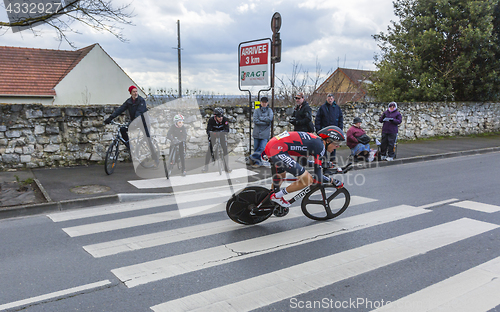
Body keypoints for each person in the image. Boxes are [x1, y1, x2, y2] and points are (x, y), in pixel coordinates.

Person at [263, 126, 345, 208]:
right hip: (277, 149)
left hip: (274, 147)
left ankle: (268, 198)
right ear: (328, 141)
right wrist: (333, 181)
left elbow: (303, 162)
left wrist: (324, 165)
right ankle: (276, 196)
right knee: (307, 180)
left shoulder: (314, 141)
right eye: (336, 144)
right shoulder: (320, 147)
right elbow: (318, 177)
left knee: (281, 176)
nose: (337, 147)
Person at [104, 85, 148, 149]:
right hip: (134, 122)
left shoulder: (141, 101)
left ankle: (154, 155)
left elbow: (139, 112)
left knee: (148, 138)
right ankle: (130, 148)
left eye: (136, 91)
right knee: (122, 129)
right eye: (134, 92)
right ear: (130, 93)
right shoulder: (129, 102)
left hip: (144, 122)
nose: (136, 93)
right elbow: (120, 109)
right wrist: (110, 118)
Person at [314, 93, 344, 162]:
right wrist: (318, 129)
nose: (330, 100)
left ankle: (332, 159)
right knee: (324, 145)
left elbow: (340, 119)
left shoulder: (337, 108)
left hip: (334, 130)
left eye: (331, 99)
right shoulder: (322, 108)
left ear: (333, 99)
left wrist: (340, 129)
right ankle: (324, 159)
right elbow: (318, 119)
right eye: (329, 99)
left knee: (334, 144)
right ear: (326, 99)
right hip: (325, 130)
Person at [203, 107, 231, 173]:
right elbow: (208, 130)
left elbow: (227, 129)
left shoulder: (224, 119)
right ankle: (206, 167)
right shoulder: (211, 120)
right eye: (219, 117)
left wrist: (224, 132)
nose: (220, 118)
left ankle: (227, 167)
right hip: (213, 135)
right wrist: (210, 135)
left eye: (221, 116)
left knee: (225, 150)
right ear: (215, 116)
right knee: (209, 150)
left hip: (221, 135)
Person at [249, 97, 273, 167]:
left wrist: (261, 118)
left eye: (265, 102)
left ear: (267, 103)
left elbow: (270, 119)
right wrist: (265, 122)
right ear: (260, 103)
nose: (264, 104)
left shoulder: (270, 111)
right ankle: (257, 162)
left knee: (262, 148)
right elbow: (256, 121)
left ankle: (251, 157)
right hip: (256, 132)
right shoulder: (256, 111)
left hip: (265, 133)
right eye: (263, 102)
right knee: (256, 148)